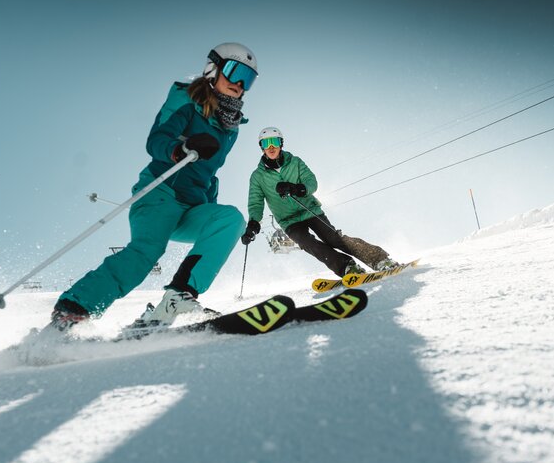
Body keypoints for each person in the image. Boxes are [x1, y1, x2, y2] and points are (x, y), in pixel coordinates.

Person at [50, 42, 259, 332]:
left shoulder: (231, 128)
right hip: (160, 194)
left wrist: (211, 210)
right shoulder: (186, 100)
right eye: (234, 72)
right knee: (146, 253)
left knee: (230, 219)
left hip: (191, 207)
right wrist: (181, 148)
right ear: (213, 69)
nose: (239, 84)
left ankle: (178, 296)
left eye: (247, 79)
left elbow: (210, 174)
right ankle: (73, 310)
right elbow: (157, 140)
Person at [242, 127, 397, 277]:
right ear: (261, 148)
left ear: (281, 144)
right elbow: (256, 203)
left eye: (274, 142)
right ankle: (347, 267)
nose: (270, 147)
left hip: (309, 209)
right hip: (288, 220)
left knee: (334, 239)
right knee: (308, 244)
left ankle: (379, 259)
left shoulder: (295, 162)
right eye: (265, 143)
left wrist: (297, 189)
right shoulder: (258, 176)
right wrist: (253, 223)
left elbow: (311, 182)